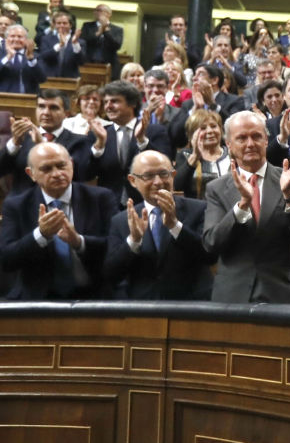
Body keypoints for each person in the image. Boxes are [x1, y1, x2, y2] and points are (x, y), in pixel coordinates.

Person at [203, 111, 290, 304]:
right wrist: (242, 206)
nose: (250, 143)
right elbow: (211, 243)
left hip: (282, 293)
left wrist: (289, 197)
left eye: (256, 136)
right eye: (241, 138)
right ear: (229, 145)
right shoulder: (216, 189)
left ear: (266, 140)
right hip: (232, 295)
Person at [1, 141, 118, 299]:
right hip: (37, 300)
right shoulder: (16, 205)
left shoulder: (101, 198)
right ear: (31, 174)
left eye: (61, 166)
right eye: (46, 169)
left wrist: (79, 242)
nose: (56, 173)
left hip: (93, 296)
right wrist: (40, 235)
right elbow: (7, 259)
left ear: (71, 165)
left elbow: (115, 248)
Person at [103, 150, 215, 300]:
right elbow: (111, 274)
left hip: (190, 306)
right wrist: (133, 241)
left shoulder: (199, 209)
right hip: (143, 309)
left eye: (164, 174)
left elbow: (209, 256)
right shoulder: (122, 220)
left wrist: (175, 226)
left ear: (173, 175)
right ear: (132, 181)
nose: (158, 182)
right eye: (148, 176)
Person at [87, 80, 173, 205]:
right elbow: (87, 173)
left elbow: (166, 165)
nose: (108, 106)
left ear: (132, 103)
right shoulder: (98, 134)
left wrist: (142, 140)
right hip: (107, 205)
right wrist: (99, 145)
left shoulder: (155, 131)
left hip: (145, 203)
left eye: (115, 101)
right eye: (106, 102)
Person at [0, 89, 92, 194]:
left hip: (59, 203)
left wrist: (42, 146)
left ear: (66, 114)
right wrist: (14, 143)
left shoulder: (79, 141)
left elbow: (77, 175)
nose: (46, 112)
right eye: (41, 106)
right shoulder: (22, 138)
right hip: (22, 203)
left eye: (53, 108)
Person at [173, 109, 229, 200]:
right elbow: (175, 186)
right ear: (192, 135)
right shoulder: (185, 155)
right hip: (199, 211)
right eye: (203, 128)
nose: (210, 131)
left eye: (213, 126)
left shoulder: (232, 154)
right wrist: (194, 157)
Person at [79, 4, 123, 79]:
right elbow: (83, 41)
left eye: (100, 10)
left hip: (109, 63)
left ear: (109, 14)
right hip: (90, 62)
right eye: (96, 10)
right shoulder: (87, 26)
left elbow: (117, 45)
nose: (96, 12)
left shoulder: (117, 29)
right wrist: (98, 34)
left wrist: (106, 32)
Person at [0, 24, 45, 93]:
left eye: (20, 37)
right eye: (12, 36)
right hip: (3, 98)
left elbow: (42, 79)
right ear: (6, 39)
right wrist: (7, 57)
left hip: (28, 99)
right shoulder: (1, 54)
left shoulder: (35, 56)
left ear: (26, 40)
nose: (16, 39)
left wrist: (31, 59)